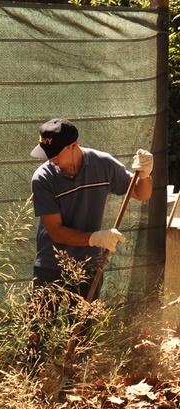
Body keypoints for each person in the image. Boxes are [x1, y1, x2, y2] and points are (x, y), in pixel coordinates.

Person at [30, 118, 153, 303]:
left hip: (89, 267)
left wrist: (144, 175)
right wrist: (95, 238)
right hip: (51, 265)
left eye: (55, 152)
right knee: (37, 329)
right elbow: (55, 231)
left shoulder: (103, 164)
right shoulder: (43, 178)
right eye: (47, 153)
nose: (50, 158)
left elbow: (141, 193)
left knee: (83, 330)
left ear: (74, 145)